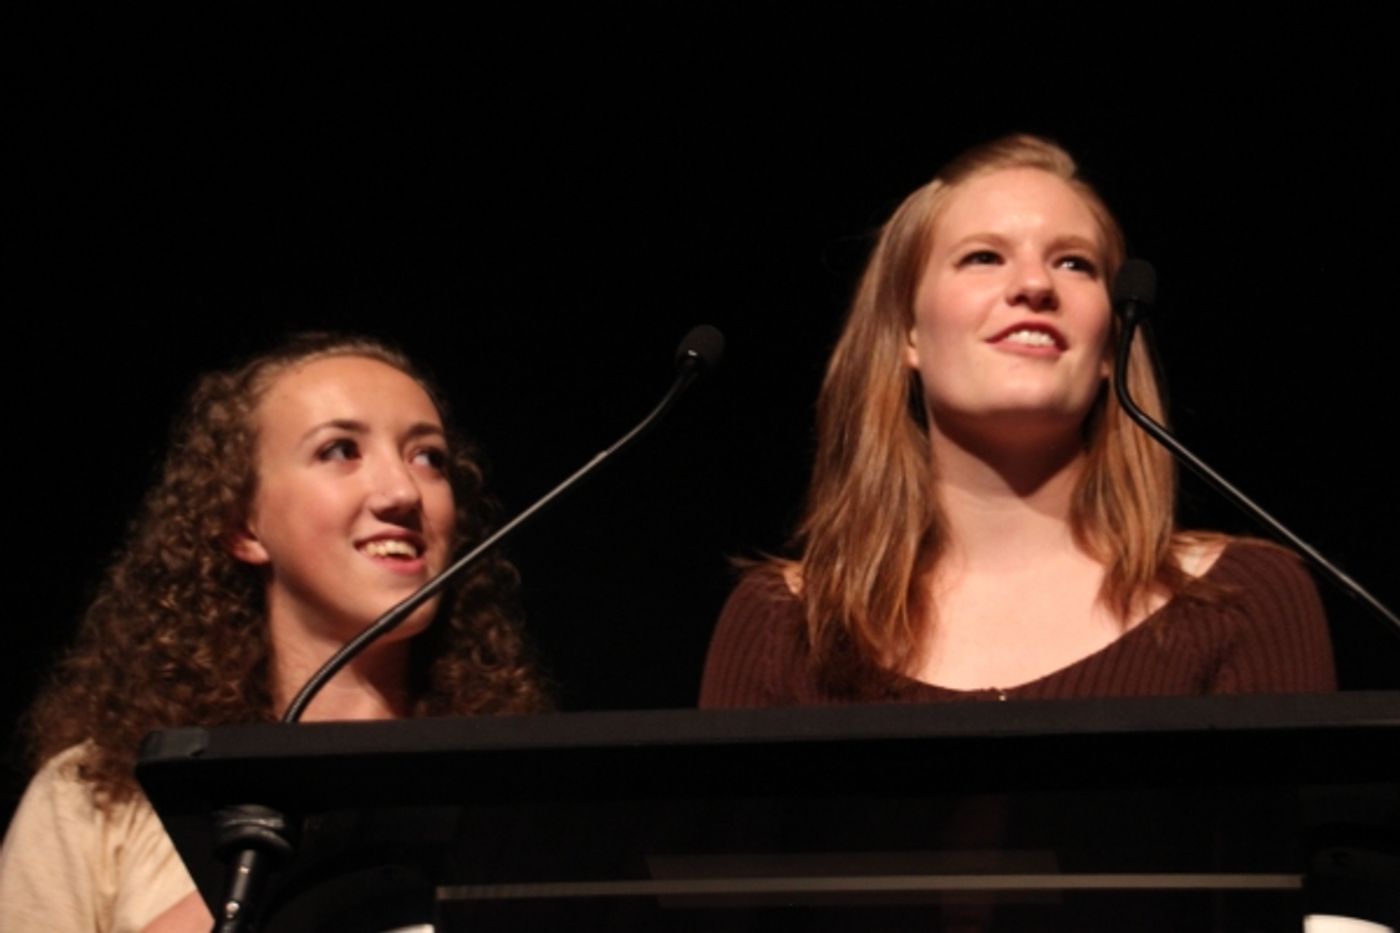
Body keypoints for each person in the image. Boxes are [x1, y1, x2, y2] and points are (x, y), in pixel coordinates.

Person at [700, 135, 1336, 707]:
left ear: (1112, 345)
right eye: (983, 257)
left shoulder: (1244, 601)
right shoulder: (783, 625)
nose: (1035, 284)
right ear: (907, 334)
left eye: (1074, 263)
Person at [0, 333, 549, 932]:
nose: (402, 492)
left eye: (429, 458)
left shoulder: (516, 797)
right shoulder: (101, 794)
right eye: (340, 450)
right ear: (245, 525)